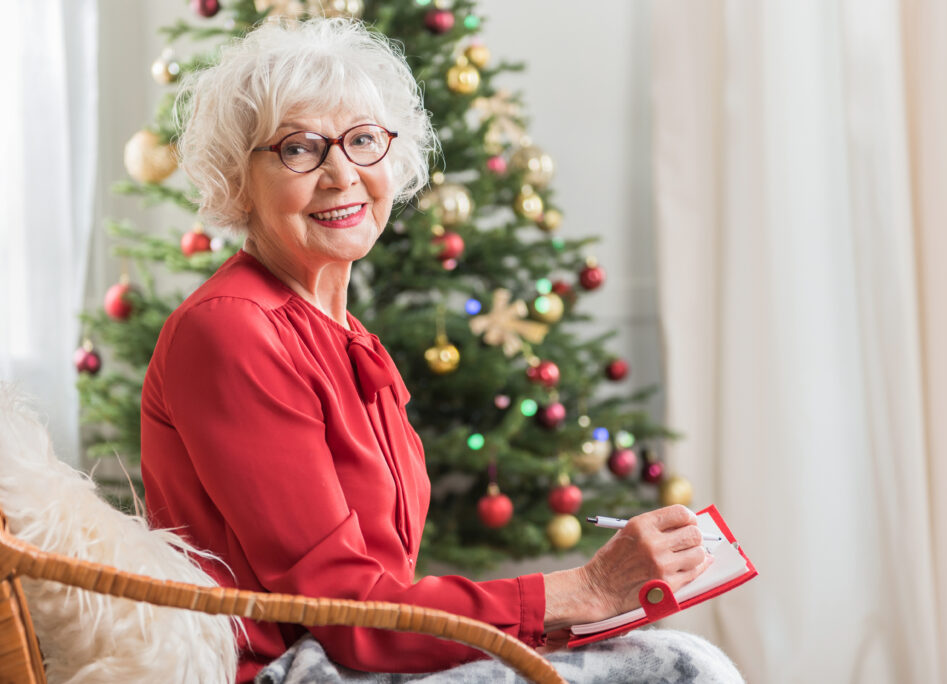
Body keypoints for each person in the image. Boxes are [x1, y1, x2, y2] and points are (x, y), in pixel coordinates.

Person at [140, 17, 741, 684]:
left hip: (353, 655)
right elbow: (340, 611)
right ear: (237, 177)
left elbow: (378, 590)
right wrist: (584, 589)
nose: (342, 174)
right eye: (300, 149)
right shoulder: (230, 328)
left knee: (680, 660)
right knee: (685, 669)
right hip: (287, 670)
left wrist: (582, 607)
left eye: (363, 141)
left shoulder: (348, 337)